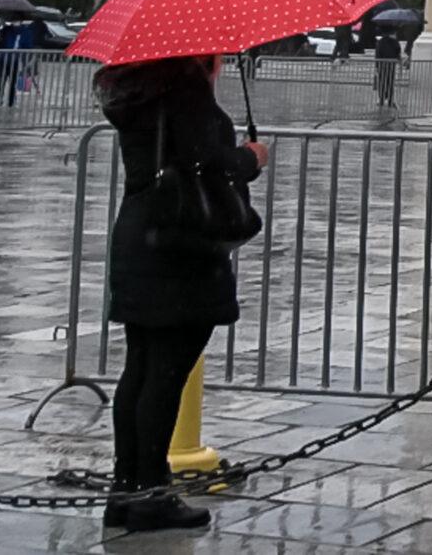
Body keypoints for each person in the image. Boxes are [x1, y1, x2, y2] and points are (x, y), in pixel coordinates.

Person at [96, 56, 267, 533]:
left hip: (141, 233)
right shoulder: (183, 91)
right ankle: (151, 493)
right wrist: (251, 157)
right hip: (180, 244)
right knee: (165, 374)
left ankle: (127, 487)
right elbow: (204, 162)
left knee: (141, 368)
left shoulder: (135, 89)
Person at [372, 27, 403, 108]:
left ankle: (381, 99)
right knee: (390, 83)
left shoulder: (380, 42)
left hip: (382, 65)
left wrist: (377, 66)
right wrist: (399, 60)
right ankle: (390, 99)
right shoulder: (395, 42)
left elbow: (377, 54)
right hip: (391, 65)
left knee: (382, 82)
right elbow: (398, 52)